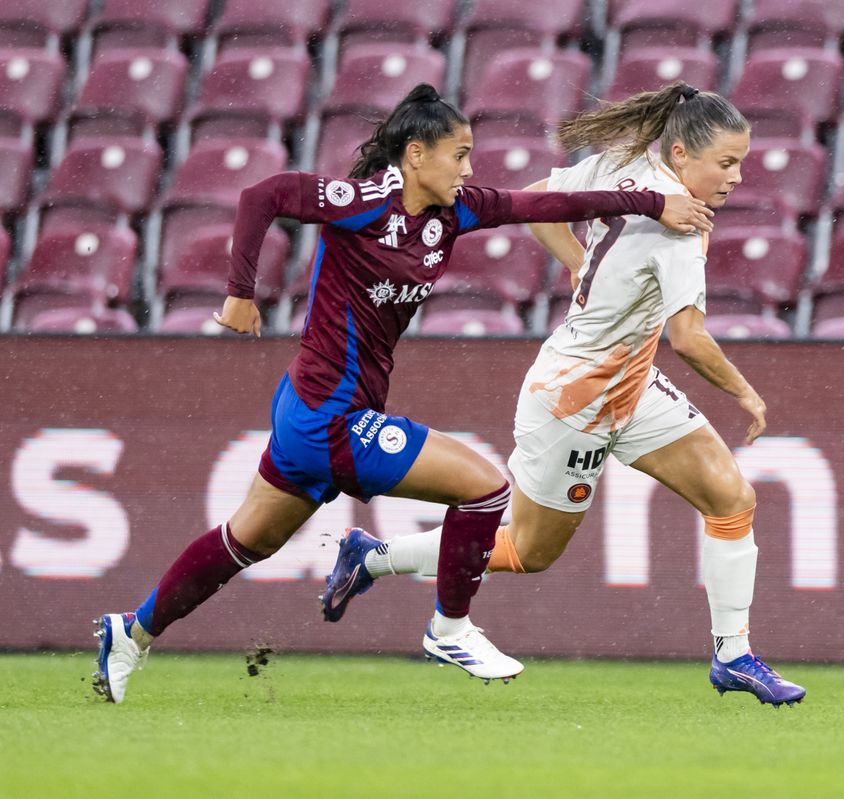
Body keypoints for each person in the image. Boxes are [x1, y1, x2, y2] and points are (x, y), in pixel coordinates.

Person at [91, 83, 714, 703]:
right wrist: (240, 292)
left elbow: (544, 206)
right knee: (485, 489)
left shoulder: (457, 212)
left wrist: (655, 203)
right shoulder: (362, 203)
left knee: (244, 541)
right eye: (459, 154)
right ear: (416, 155)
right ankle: (450, 628)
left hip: (315, 409)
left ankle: (132, 632)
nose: (469, 169)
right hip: (326, 417)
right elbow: (265, 194)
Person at [321, 83, 805, 707]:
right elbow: (687, 337)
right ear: (681, 154)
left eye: (741, 163)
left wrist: (577, 259)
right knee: (526, 549)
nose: (737, 178)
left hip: (631, 383)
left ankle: (733, 656)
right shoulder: (679, 222)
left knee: (732, 497)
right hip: (575, 395)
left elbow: (542, 200)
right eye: (727, 163)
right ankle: (375, 556)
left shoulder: (625, 165)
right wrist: (745, 393)